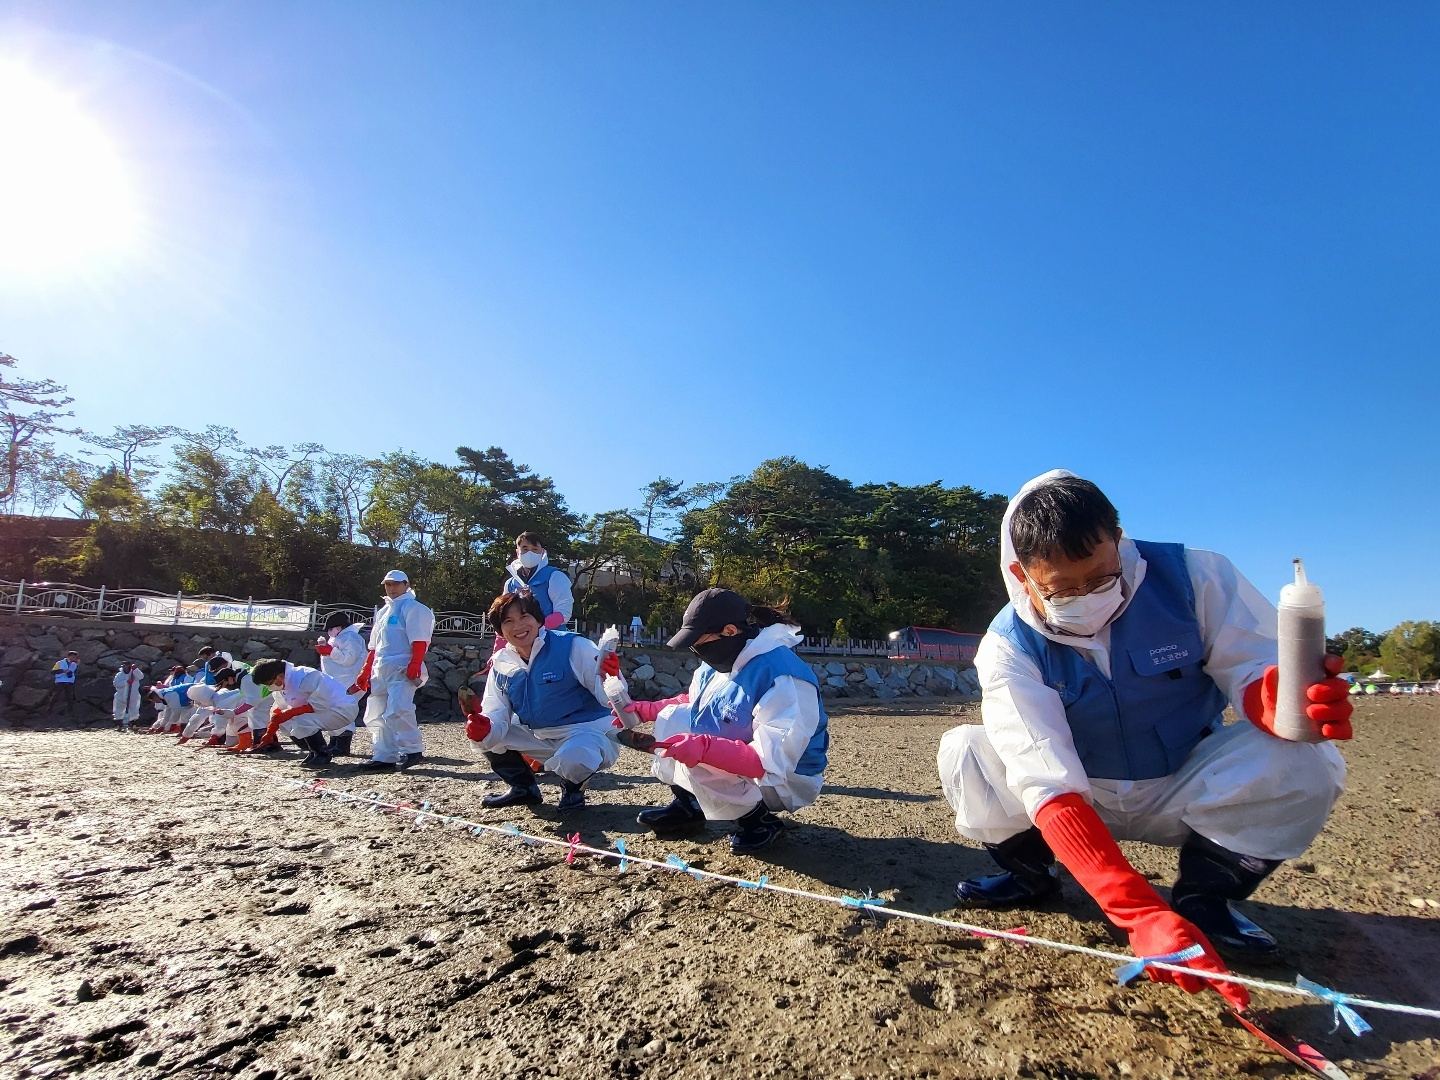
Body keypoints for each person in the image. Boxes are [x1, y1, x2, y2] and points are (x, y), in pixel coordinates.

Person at [937, 471, 1352, 1011]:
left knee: (1308, 755)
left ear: (1119, 539)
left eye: (1102, 577)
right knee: (966, 749)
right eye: (1061, 588)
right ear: (1022, 574)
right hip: (1082, 797)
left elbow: (1254, 664)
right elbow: (1043, 778)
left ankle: (1205, 899)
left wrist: (1277, 699)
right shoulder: (1007, 645)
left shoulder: (1196, 576)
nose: (1086, 599)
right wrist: (1137, 913)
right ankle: (1032, 874)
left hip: (1184, 784)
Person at [620, 589, 829, 855]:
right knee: (674, 718)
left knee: (699, 759)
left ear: (730, 631)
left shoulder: (783, 678)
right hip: (747, 754)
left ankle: (758, 821)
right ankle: (689, 806)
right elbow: (696, 702)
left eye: (699, 640)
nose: (696, 649)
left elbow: (770, 759)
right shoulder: (722, 660)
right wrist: (646, 710)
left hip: (787, 777)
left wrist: (705, 749)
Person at [460, 590, 622, 812]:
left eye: (524, 616)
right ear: (500, 630)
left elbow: (610, 698)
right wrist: (483, 727)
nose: (518, 626)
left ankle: (572, 787)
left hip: (589, 734)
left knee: (576, 757)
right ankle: (523, 788)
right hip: (542, 737)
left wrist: (611, 677)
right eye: (508, 621)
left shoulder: (574, 646)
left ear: (538, 619)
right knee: (487, 736)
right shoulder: (501, 662)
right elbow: (495, 711)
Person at [351, 570, 434, 771]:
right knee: (376, 713)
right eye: (388, 584)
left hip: (402, 667)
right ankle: (384, 755)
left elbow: (420, 638)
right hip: (381, 668)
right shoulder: (383, 612)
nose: (391, 588)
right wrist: (364, 672)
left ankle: (413, 749)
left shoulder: (414, 608)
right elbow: (374, 646)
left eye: (396, 584)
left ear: (407, 584)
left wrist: (415, 662)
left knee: (399, 708)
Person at [249, 658, 360, 769]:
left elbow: (320, 704)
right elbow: (279, 712)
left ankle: (322, 753)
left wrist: (291, 712)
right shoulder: (281, 686)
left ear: (279, 676)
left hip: (342, 709)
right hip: (325, 711)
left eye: (269, 683)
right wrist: (268, 735)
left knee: (301, 721)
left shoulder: (307, 676)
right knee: (286, 723)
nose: (269, 687)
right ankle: (312, 751)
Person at [315, 612, 367, 756]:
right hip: (339, 681)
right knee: (333, 709)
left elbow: (349, 659)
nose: (330, 631)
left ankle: (343, 744)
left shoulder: (351, 637)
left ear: (341, 626)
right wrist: (328, 650)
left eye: (332, 628)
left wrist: (330, 652)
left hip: (349, 681)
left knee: (342, 710)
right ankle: (335, 741)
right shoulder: (339, 638)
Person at [502, 532, 574, 629]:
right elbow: (503, 612)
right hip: (519, 639)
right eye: (525, 549)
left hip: (551, 639)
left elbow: (564, 611)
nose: (530, 553)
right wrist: (501, 639)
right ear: (518, 552)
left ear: (542, 552)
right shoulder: (510, 583)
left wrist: (538, 629)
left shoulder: (555, 576)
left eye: (535, 549)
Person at [111, 661, 146, 731]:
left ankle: (133, 724)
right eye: (124, 666)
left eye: (127, 666)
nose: (126, 667)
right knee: (118, 710)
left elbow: (141, 676)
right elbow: (116, 684)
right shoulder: (119, 675)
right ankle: (119, 725)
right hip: (121, 695)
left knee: (134, 709)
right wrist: (126, 682)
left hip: (133, 695)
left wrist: (136, 669)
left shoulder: (134, 673)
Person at [48, 650, 79, 715]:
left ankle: (70, 711)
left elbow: (73, 673)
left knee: (70, 696)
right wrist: (63, 671)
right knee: (56, 695)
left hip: (70, 682)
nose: (74, 658)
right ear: (69, 656)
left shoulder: (74, 664)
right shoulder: (59, 663)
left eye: (75, 657)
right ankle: (49, 709)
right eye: (73, 657)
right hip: (60, 681)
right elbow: (53, 672)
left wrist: (70, 671)